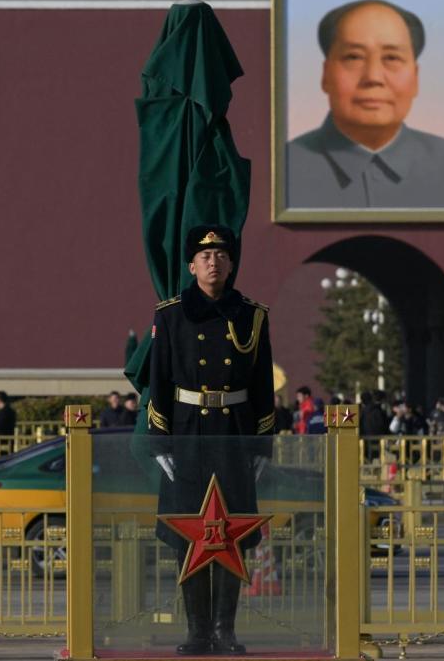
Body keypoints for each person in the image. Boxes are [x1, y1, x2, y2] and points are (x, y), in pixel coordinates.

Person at [146, 224, 275, 656]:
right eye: (204, 257)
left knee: (231, 532)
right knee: (191, 534)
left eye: (221, 255)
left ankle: (225, 629)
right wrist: (160, 442)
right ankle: (198, 630)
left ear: (232, 263)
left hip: (233, 433)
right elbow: (159, 379)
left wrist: (261, 444)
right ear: (191, 265)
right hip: (187, 434)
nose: (213, 262)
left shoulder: (252, 315)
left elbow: (261, 384)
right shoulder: (170, 314)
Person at [285, 0, 444, 211]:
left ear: (416, 77)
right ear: (325, 74)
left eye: (392, 58)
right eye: (354, 57)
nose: (373, 77)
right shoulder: (281, 168)